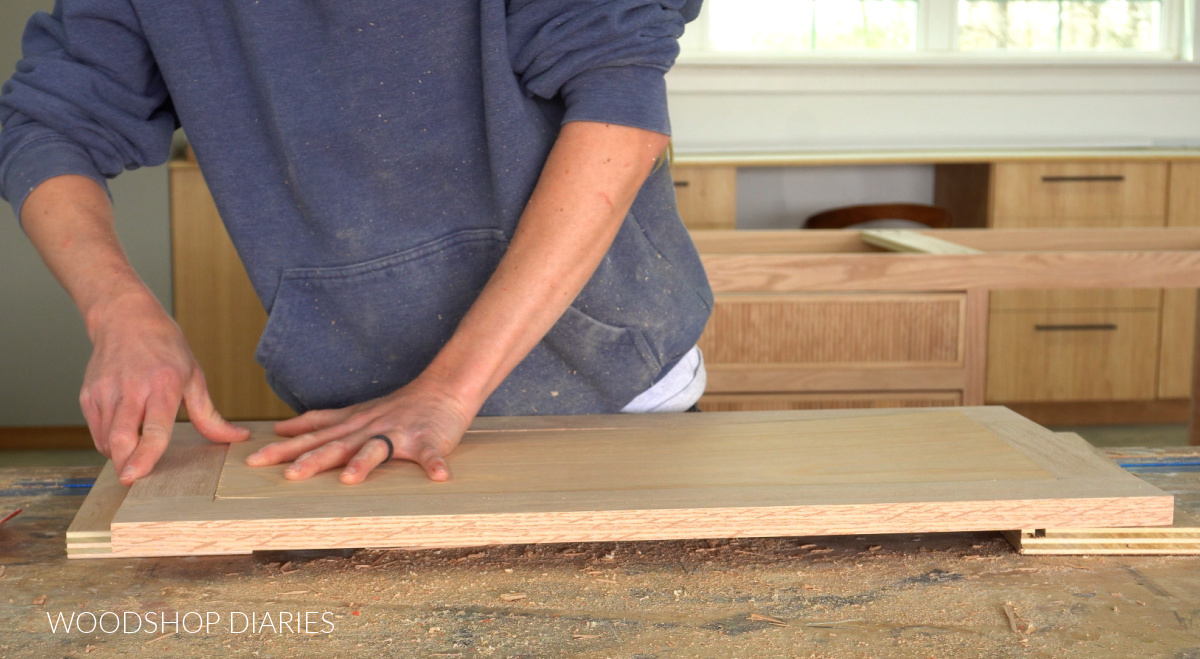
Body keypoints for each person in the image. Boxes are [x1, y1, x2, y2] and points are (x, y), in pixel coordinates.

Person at [0, 0, 713, 488]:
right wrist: (118, 310)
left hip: (612, 398)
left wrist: (446, 391)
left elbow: (619, 106)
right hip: (363, 434)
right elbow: (44, 125)